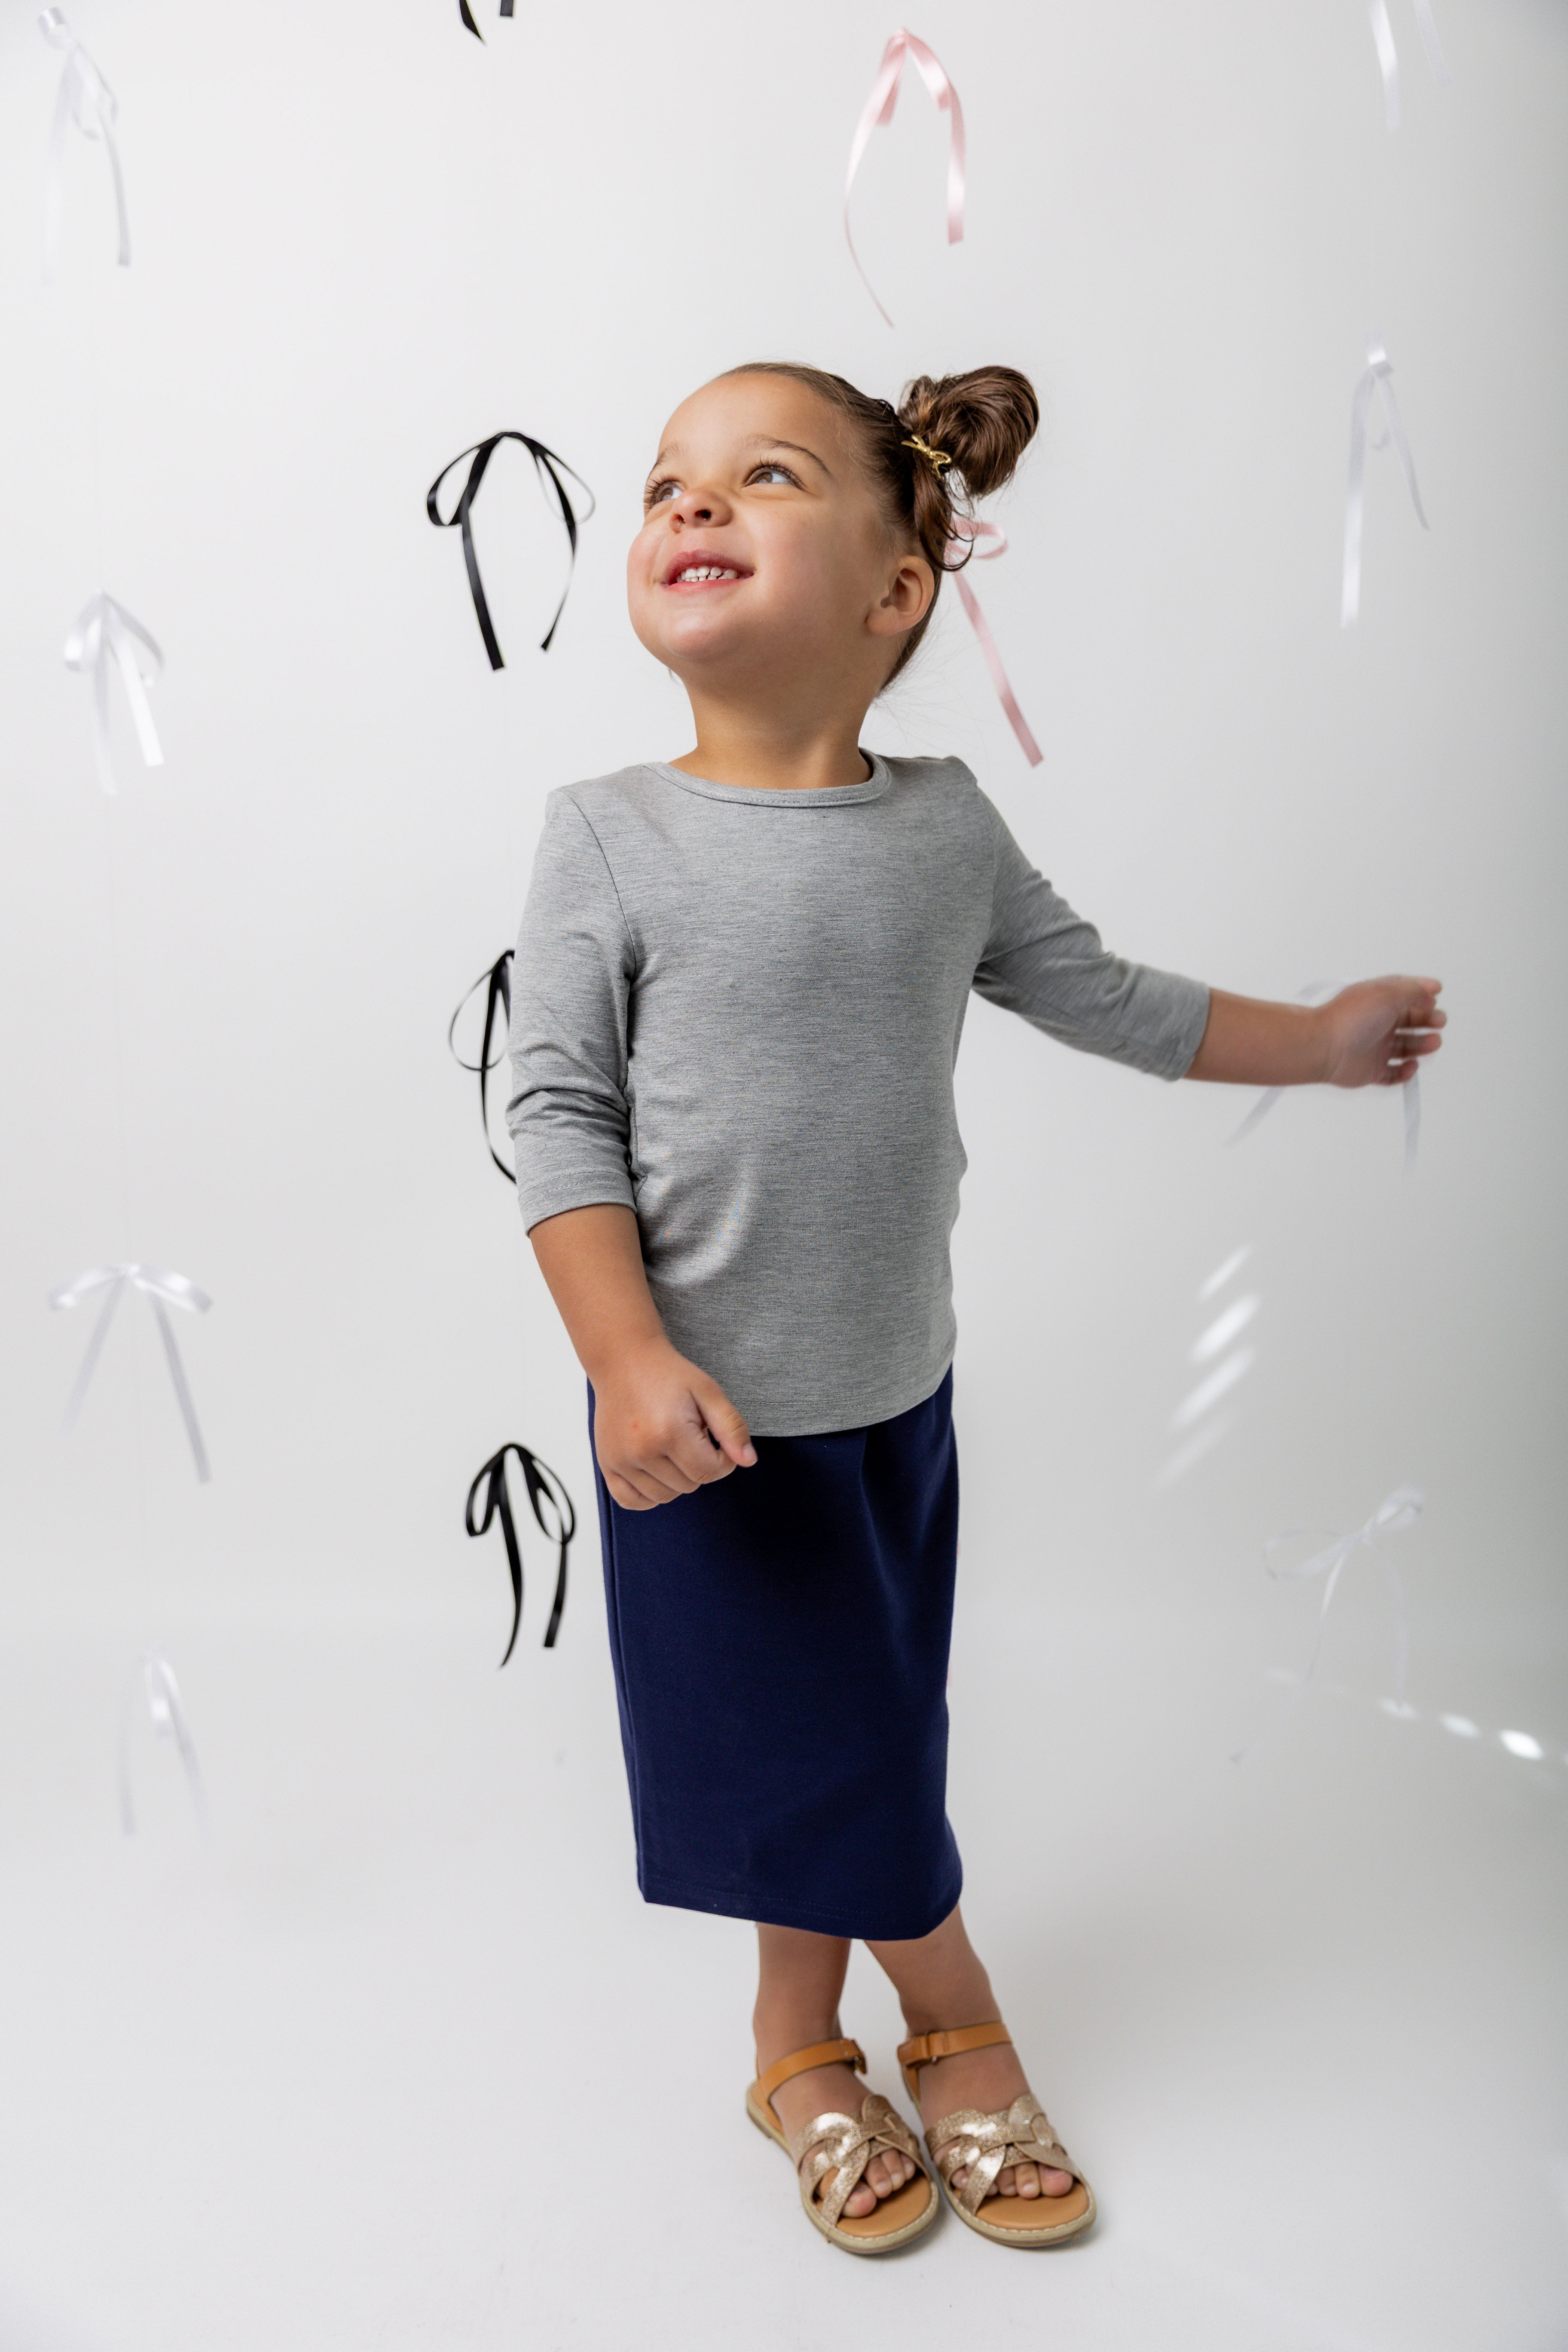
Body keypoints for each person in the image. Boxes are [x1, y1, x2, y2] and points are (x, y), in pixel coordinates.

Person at [505, 361, 1445, 2254]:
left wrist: (1324, 1046)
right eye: (667, 482)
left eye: (755, 478)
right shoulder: (608, 833)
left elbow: (1111, 999)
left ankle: (792, 2047)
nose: (687, 506)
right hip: (702, 1421)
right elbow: (555, 1114)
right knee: (820, 1741)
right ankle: (946, 2001)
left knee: (844, 1735)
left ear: (893, 591)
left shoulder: (942, 834)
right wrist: (619, 1354)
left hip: (889, 1403)